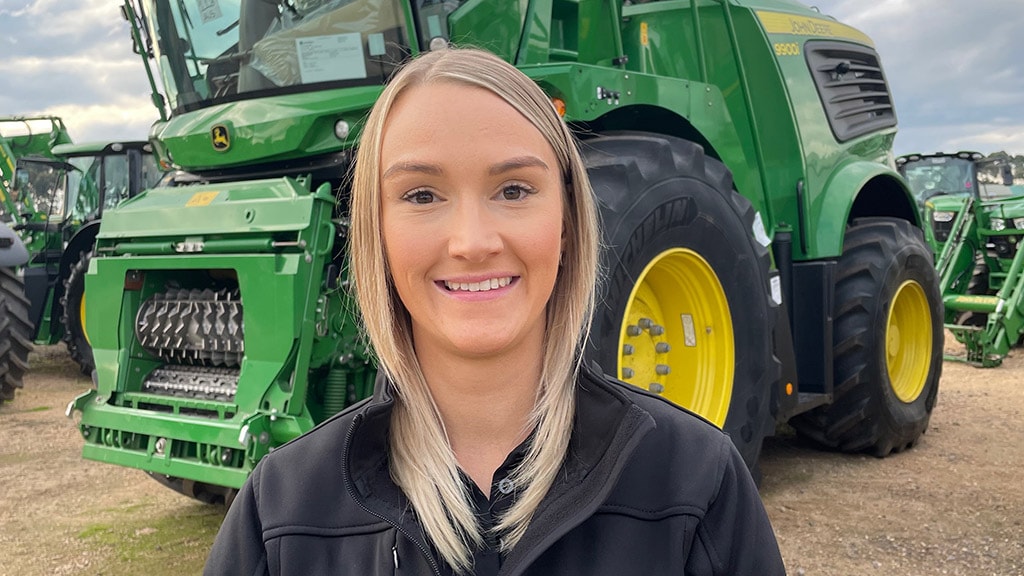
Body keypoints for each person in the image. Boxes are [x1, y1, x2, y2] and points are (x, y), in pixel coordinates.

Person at [204, 46, 786, 576]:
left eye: (514, 190)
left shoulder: (697, 487)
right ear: (376, 233)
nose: (472, 242)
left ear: (567, 225)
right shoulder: (279, 514)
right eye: (422, 195)